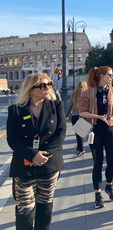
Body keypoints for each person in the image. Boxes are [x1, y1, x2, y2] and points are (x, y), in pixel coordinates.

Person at [7, 73, 66, 229]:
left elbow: (60, 134)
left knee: (45, 208)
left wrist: (42, 156)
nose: (46, 88)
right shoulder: (16, 110)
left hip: (49, 164)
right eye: (42, 85)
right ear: (30, 90)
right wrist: (33, 155)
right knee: (25, 210)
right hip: (24, 166)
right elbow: (12, 139)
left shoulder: (56, 106)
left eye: (49, 84)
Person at [78, 66, 113, 209]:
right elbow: (82, 112)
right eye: (109, 75)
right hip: (95, 129)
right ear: (101, 75)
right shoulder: (88, 93)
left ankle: (109, 186)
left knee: (112, 161)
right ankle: (97, 195)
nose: (111, 77)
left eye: (112, 75)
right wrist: (98, 117)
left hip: (110, 129)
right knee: (97, 163)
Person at [66, 80, 89, 157]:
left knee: (78, 134)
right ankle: (94, 146)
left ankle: (80, 149)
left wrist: (65, 115)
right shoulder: (88, 94)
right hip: (86, 116)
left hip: (75, 116)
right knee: (89, 132)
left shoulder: (74, 95)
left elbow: (69, 106)